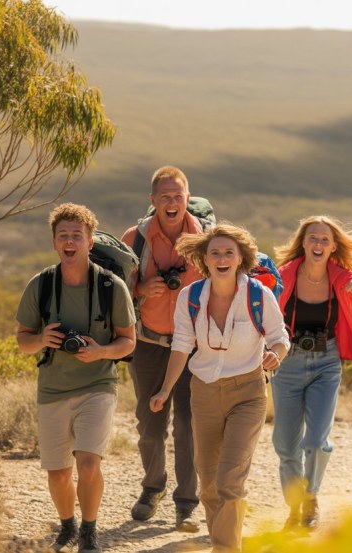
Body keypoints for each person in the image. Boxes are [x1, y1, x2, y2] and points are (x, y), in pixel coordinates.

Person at [150, 223, 290, 553]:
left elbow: (280, 338)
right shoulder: (190, 297)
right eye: (215, 253)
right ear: (205, 259)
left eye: (229, 252)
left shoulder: (258, 295)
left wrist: (275, 355)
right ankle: (224, 543)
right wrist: (165, 390)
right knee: (210, 484)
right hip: (204, 393)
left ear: (241, 258)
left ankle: (226, 549)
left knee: (230, 480)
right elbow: (181, 345)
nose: (222, 258)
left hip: (248, 393)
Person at [16, 203, 136, 553]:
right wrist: (42, 339)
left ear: (90, 241)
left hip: (98, 384)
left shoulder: (111, 287)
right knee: (58, 472)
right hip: (53, 388)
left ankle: (89, 531)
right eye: (63, 236)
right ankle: (67, 525)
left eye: (77, 236)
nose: (70, 241)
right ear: (55, 242)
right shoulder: (41, 285)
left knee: (88, 462)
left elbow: (128, 341)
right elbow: (23, 341)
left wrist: (101, 351)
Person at [271, 215, 352, 531]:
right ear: (303, 243)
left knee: (315, 441)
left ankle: (310, 496)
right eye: (312, 238)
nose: (318, 244)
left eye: (325, 239)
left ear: (333, 246)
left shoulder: (342, 277)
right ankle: (294, 507)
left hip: (327, 362)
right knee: (285, 445)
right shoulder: (284, 275)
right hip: (288, 362)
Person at [120, 166, 203, 531]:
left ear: (188, 199)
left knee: (188, 425)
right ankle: (152, 487)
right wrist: (142, 289)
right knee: (150, 426)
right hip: (148, 344)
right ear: (153, 200)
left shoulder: (206, 239)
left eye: (178, 196)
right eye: (165, 196)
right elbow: (117, 291)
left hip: (194, 349)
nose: (172, 202)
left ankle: (187, 503)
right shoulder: (134, 239)